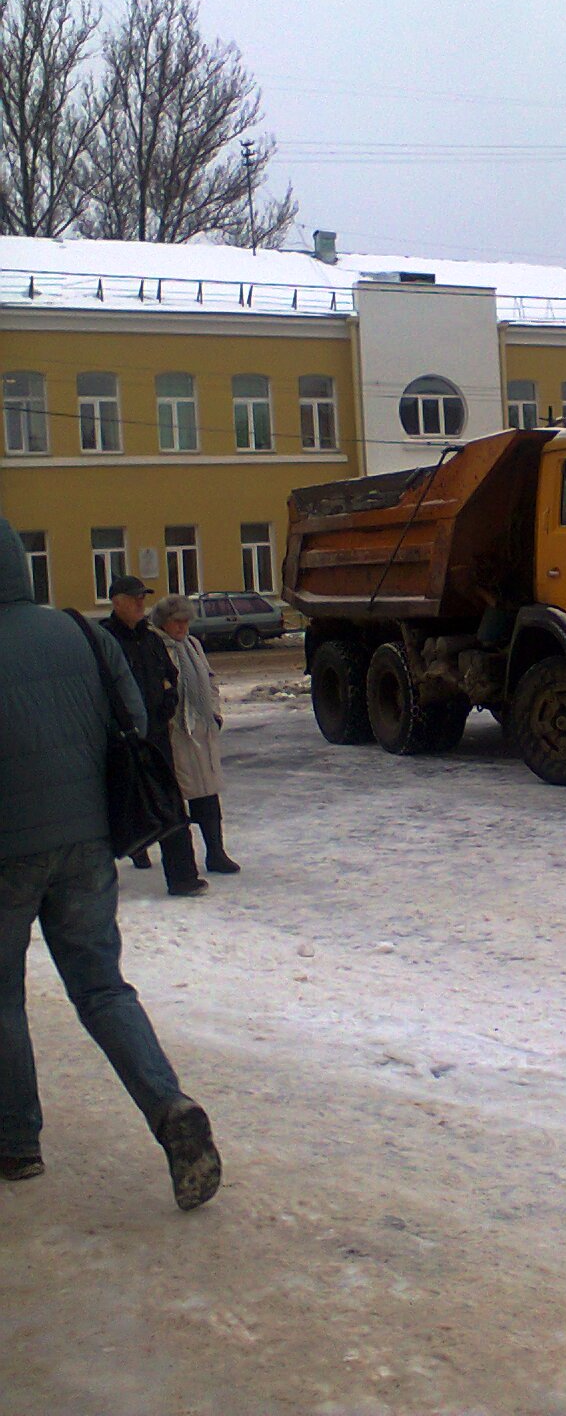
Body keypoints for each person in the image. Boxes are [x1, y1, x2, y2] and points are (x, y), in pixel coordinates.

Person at [0, 518, 220, 1208]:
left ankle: (17, 1143)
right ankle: (169, 1107)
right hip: (88, 846)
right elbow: (130, 716)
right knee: (101, 989)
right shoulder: (81, 631)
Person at [101, 574, 206, 897]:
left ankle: (183, 877)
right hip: (120, 740)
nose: (140, 604)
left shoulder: (150, 639)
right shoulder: (104, 640)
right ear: (116, 602)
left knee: (170, 804)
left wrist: (168, 700)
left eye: (142, 598)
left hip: (157, 735)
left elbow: (169, 677)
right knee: (111, 807)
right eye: (133, 598)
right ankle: (99, 883)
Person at [150, 596, 240, 875]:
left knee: (208, 794)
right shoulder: (157, 647)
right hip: (175, 733)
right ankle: (168, 856)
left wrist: (214, 713)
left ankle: (216, 852)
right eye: (177, 621)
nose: (182, 626)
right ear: (164, 622)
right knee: (175, 798)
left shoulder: (192, 645)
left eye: (186, 621)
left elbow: (209, 680)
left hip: (202, 731)